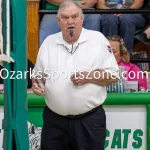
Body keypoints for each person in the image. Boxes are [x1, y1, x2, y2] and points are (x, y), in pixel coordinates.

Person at [32, 1, 119, 150]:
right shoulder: (48, 42)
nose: (70, 21)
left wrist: (89, 77)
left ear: (82, 18)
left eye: (74, 16)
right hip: (54, 122)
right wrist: (37, 84)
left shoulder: (97, 40)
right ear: (58, 21)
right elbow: (38, 75)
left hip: (89, 121)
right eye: (65, 18)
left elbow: (113, 75)